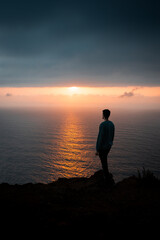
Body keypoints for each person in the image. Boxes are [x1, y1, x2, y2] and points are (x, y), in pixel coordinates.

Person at [96, 109, 115, 182]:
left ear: (104, 115)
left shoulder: (102, 125)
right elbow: (112, 136)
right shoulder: (112, 124)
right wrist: (110, 143)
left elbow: (100, 137)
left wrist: (97, 149)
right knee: (105, 160)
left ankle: (106, 178)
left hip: (102, 147)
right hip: (108, 146)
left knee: (103, 162)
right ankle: (106, 176)